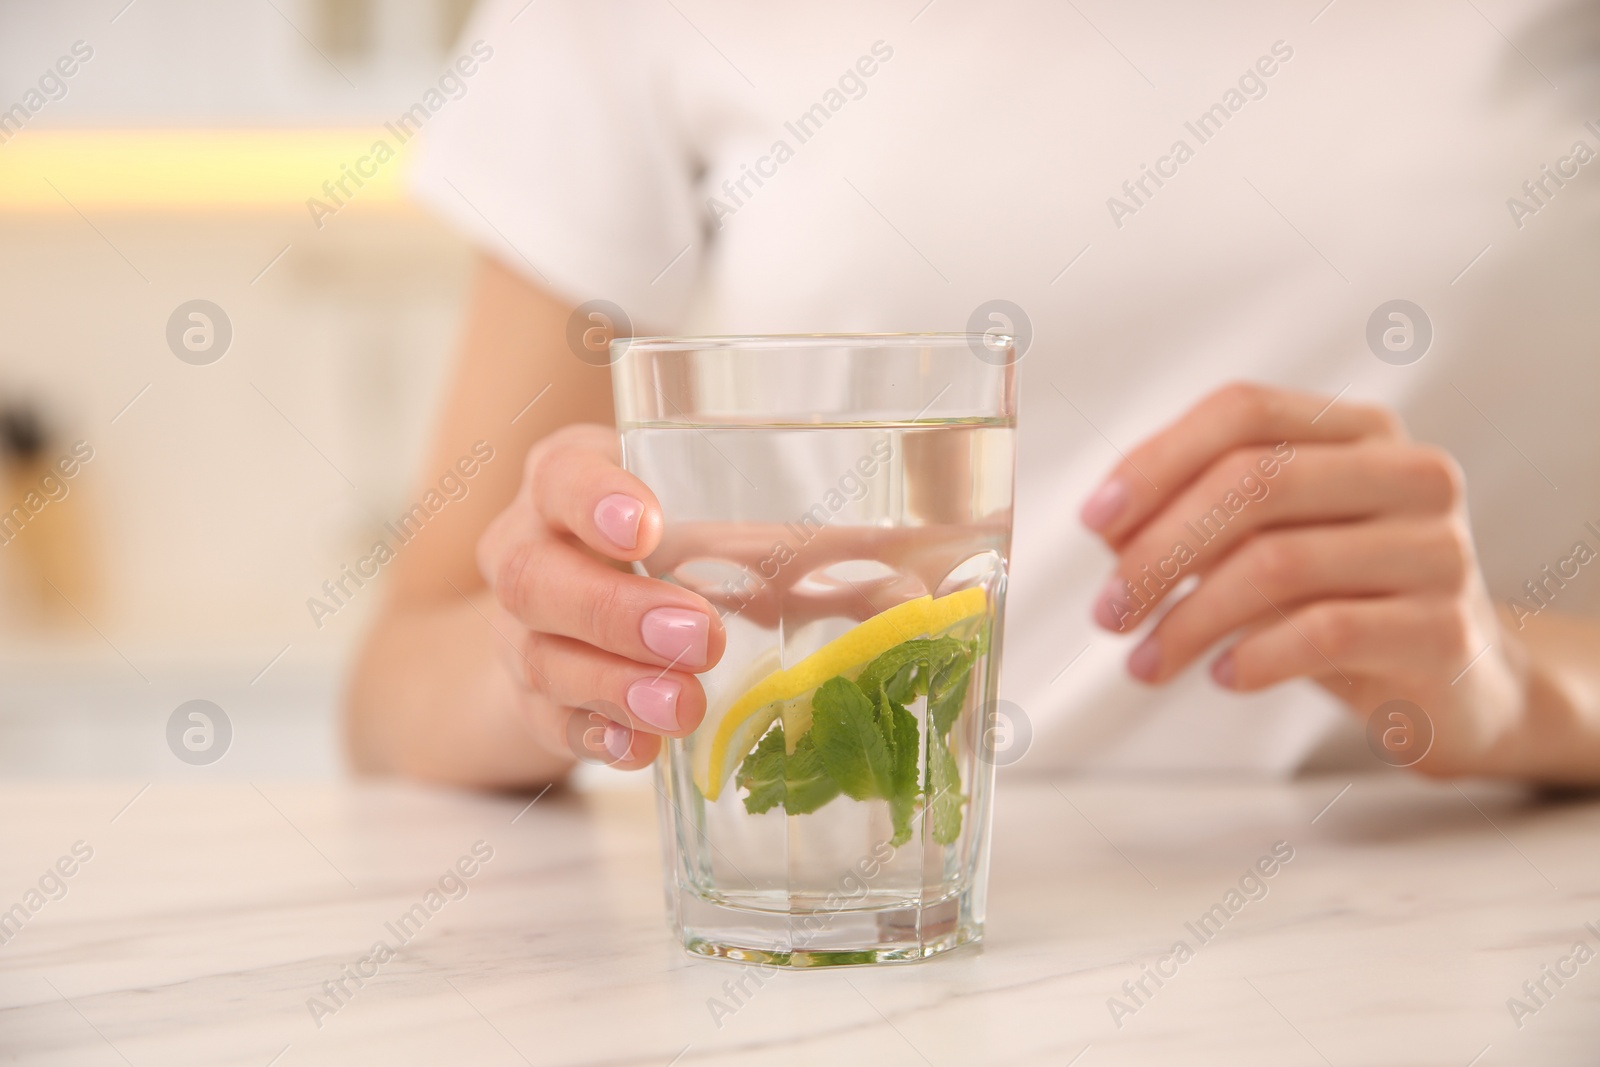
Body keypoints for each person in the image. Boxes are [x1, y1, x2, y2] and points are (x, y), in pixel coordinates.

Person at [346, 0, 1600, 787]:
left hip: (1465, 931)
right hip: (850, 936)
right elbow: (396, 681)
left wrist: (1523, 687)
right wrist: (544, 661)